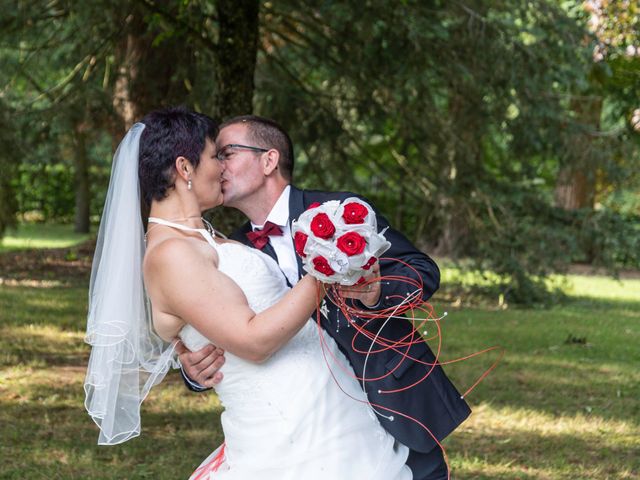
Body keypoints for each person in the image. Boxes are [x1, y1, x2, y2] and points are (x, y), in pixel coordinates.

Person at [84, 107, 412, 479]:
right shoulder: (170, 253)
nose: (223, 168)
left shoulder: (203, 238)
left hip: (325, 413)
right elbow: (253, 341)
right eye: (214, 157)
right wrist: (326, 267)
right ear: (184, 168)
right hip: (288, 433)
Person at [179, 115, 472, 480]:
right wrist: (192, 371)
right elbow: (223, 326)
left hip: (390, 389)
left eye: (227, 153)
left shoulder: (340, 211)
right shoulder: (231, 251)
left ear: (269, 160)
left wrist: (377, 292)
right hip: (312, 416)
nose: (217, 165)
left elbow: (421, 269)